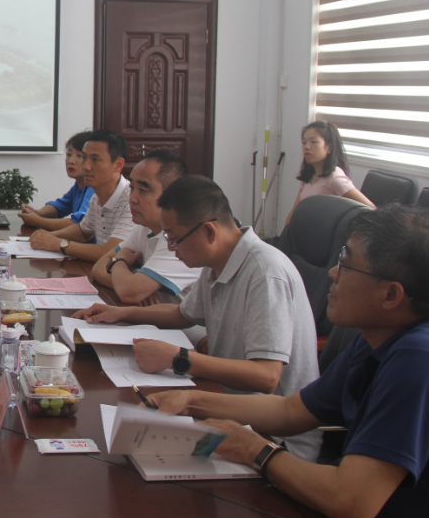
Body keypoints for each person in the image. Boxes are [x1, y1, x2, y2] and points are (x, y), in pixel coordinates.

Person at [149, 205, 429, 518]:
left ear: (390, 295)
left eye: (347, 264)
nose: (332, 273)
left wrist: (254, 449)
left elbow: (350, 502)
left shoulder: (422, 364)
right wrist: (191, 400)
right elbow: (291, 411)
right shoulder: (381, 335)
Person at [76, 175, 321, 460]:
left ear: (209, 231)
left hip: (273, 438)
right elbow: (183, 313)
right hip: (223, 405)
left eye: (174, 239)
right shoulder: (218, 261)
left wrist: (179, 358)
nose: (171, 248)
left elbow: (267, 376)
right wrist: (121, 313)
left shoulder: (265, 274)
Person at [90, 150, 199, 305]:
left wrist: (119, 261)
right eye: (132, 188)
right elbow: (98, 268)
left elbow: (129, 293)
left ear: (173, 195)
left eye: (143, 190)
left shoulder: (182, 238)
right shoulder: (145, 228)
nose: (132, 199)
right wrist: (126, 284)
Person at [28, 129, 134, 263]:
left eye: (95, 159)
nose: (86, 166)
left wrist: (59, 244)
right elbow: (83, 232)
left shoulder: (132, 200)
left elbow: (111, 252)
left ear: (118, 165)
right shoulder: (97, 197)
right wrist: (48, 236)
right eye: (84, 157)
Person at [285, 120, 374, 227]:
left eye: (314, 142)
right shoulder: (308, 177)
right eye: (304, 142)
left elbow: (371, 209)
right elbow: (294, 212)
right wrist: (284, 234)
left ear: (329, 147)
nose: (306, 147)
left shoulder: (335, 178)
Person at [18, 131, 95, 231]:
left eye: (80, 156)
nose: (71, 161)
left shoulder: (94, 187)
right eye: (69, 154)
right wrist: (36, 213)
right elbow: (59, 207)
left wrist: (37, 220)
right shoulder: (79, 185)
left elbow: (80, 224)